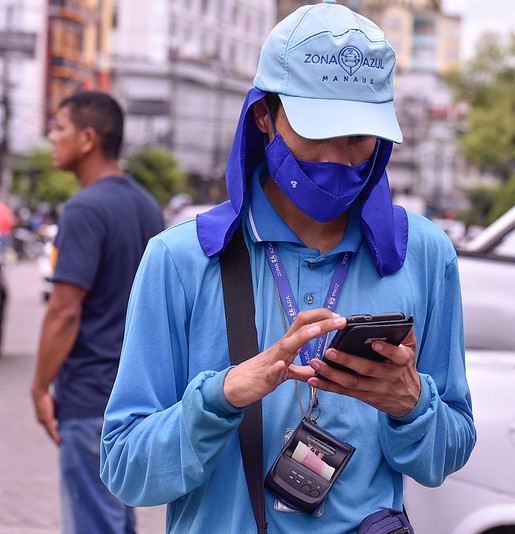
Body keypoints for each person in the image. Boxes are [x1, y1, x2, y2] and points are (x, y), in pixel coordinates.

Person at [100, 1, 476, 532]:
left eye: (360, 136)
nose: (342, 159)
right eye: (319, 130)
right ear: (264, 117)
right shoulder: (181, 259)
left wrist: (411, 406)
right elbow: (124, 471)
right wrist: (220, 397)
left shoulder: (423, 255)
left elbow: (449, 452)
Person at [31, 91, 164, 534]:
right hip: (133, 395)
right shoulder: (147, 206)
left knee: (94, 525)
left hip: (88, 396)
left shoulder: (84, 208)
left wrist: (39, 387)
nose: (51, 136)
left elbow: (65, 310)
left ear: (87, 138)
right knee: (116, 520)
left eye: (59, 128)